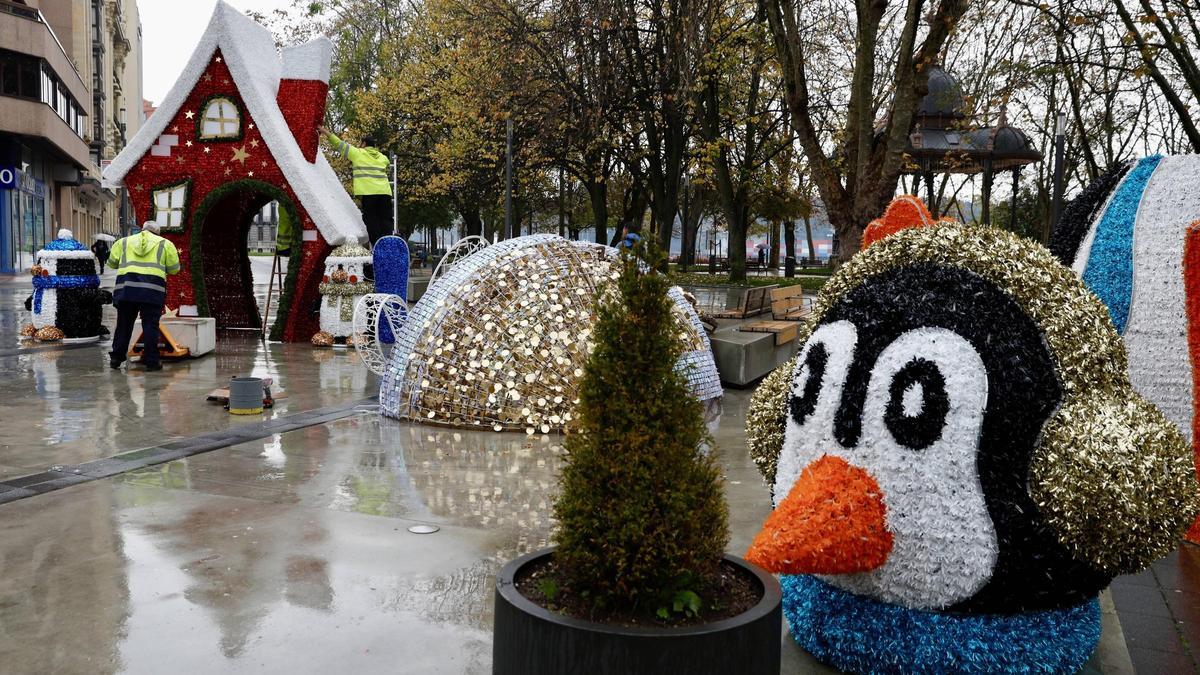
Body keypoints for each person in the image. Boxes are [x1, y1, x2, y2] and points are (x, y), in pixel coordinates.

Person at [107, 220, 180, 372]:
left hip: (126, 290)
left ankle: (116, 358)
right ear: (157, 233)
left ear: (142, 229)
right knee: (150, 325)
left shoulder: (123, 242)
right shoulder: (165, 244)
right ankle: (152, 362)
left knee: (123, 325)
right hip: (152, 292)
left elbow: (112, 263)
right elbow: (174, 269)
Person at [320, 126, 393, 245]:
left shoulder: (358, 153)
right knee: (386, 220)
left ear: (364, 144)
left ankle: (377, 246)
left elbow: (339, 144)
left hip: (369, 193)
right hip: (385, 193)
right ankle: (389, 244)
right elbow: (387, 166)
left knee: (371, 220)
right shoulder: (383, 158)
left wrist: (325, 132)